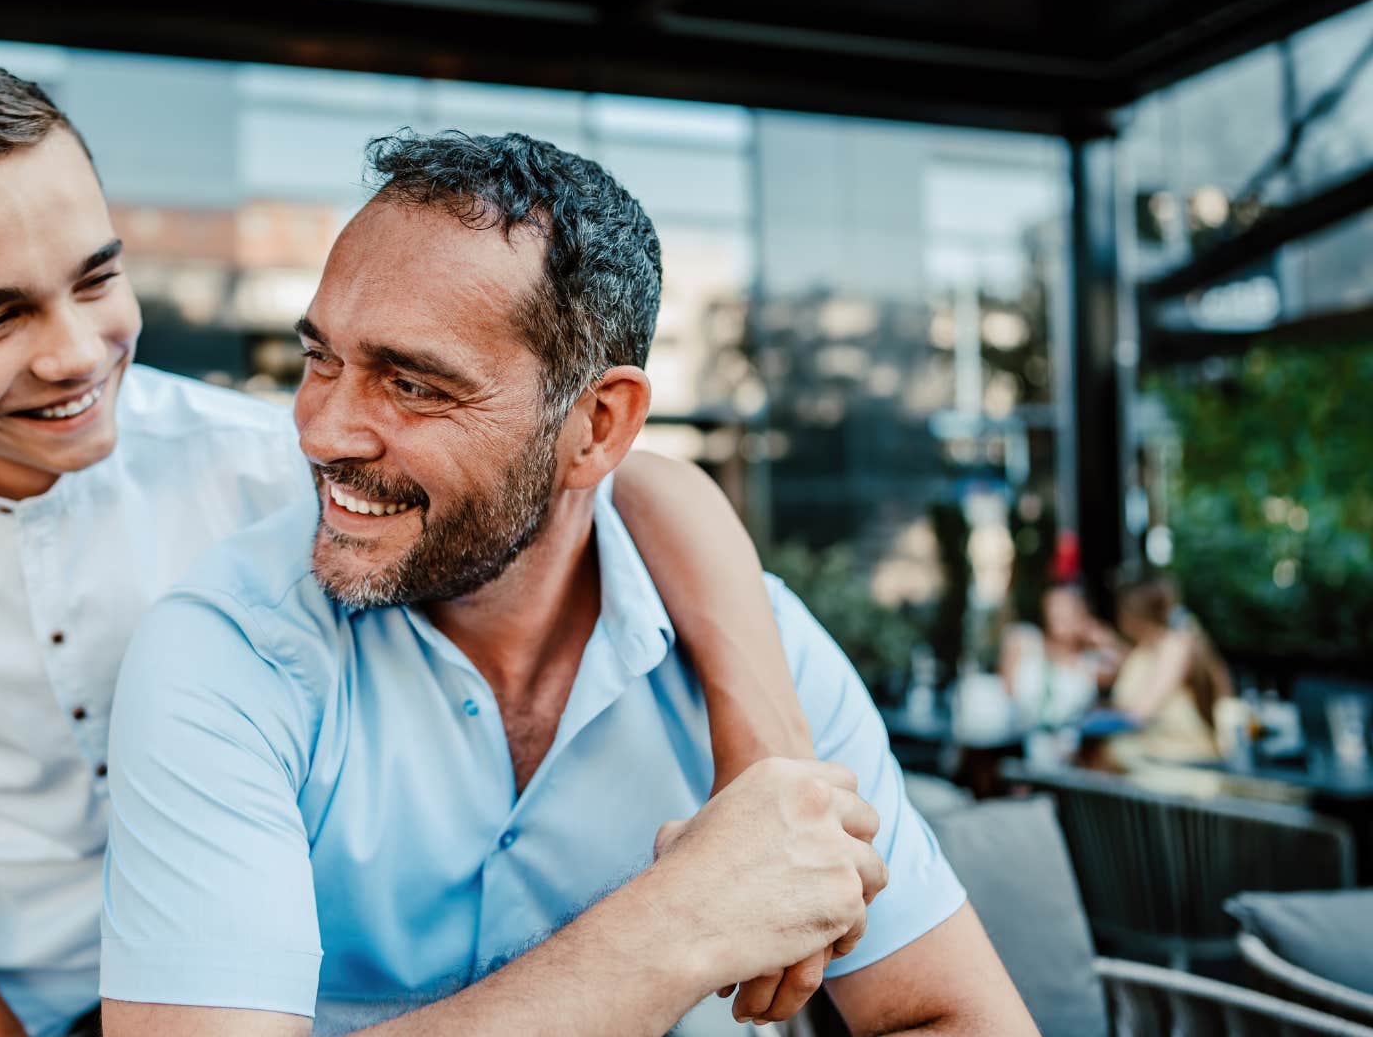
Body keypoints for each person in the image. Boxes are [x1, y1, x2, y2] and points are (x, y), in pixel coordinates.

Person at [0, 53, 814, 1037]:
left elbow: (616, 477)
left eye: (95, 281)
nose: (77, 352)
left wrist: (763, 755)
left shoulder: (269, 455)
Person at [98, 131, 1036, 1035]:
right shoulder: (228, 650)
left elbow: (948, 1014)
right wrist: (686, 916)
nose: (322, 430)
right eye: (320, 360)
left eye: (414, 384)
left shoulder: (761, 647)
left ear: (596, 427)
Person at [1108, 573, 1230, 764]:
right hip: (1153, 760)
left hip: (1185, 764)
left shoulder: (1175, 646)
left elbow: (1142, 712)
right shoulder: (1144, 650)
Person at [1000, 583, 1121, 727]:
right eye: (1054, 606)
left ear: (1082, 615)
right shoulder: (1024, 640)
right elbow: (1005, 693)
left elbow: (1123, 667)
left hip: (1071, 744)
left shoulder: (1089, 663)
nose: (1059, 614)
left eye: (1067, 609)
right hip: (1015, 740)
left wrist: (1100, 636)